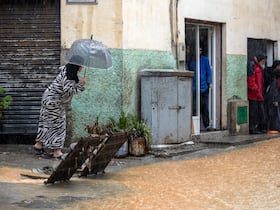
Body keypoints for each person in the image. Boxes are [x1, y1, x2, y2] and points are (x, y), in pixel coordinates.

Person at [34, 55, 87, 159]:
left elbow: (67, 88)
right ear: (77, 65)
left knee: (46, 122)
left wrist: (78, 84)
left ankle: (39, 145)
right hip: (54, 102)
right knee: (59, 126)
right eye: (81, 65)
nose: (82, 67)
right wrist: (81, 85)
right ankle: (57, 152)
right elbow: (68, 90)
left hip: (48, 98)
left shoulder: (67, 70)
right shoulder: (69, 75)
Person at [190, 47, 213, 131]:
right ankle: (195, 127)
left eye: (200, 50)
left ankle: (206, 125)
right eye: (198, 50)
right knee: (195, 107)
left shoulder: (205, 60)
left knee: (204, 106)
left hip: (204, 87)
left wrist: (209, 83)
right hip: (195, 87)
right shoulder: (191, 60)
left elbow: (209, 72)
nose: (199, 52)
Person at [247, 54, 267, 134]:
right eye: (263, 61)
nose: (264, 62)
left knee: (259, 112)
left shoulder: (259, 68)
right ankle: (253, 128)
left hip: (258, 94)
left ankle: (258, 127)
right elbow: (251, 80)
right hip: (254, 94)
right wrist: (255, 89)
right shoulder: (253, 66)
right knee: (253, 112)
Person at [264, 60, 280, 134]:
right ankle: (274, 127)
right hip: (272, 99)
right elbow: (274, 90)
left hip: (273, 98)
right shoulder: (274, 79)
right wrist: (275, 100)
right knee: (274, 113)